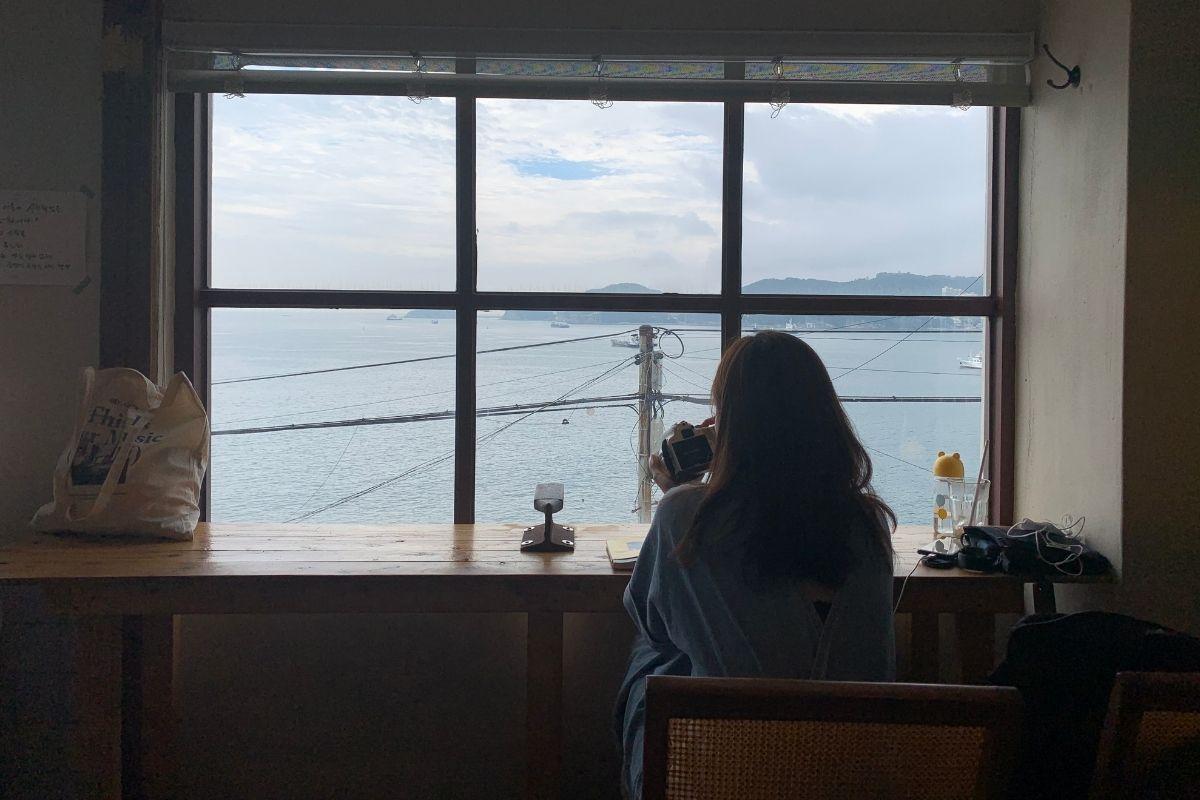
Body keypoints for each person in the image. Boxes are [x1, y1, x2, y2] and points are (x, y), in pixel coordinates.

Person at [615, 331, 897, 799]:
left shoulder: (685, 516)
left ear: (729, 422)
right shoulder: (868, 524)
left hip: (725, 777)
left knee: (653, 654)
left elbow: (654, 624)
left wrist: (682, 495)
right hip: (848, 774)